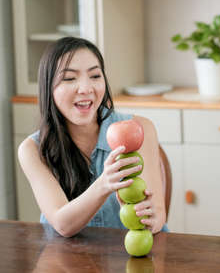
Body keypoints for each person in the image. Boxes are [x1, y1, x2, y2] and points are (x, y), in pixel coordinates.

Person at [18, 37, 167, 237]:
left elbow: (157, 214)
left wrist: (150, 218)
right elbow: (62, 224)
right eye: (70, 78)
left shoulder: (140, 129)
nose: (86, 88)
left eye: (95, 76)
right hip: (65, 262)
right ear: (48, 87)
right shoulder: (32, 150)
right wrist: (104, 184)